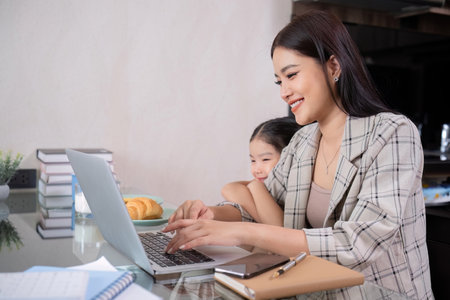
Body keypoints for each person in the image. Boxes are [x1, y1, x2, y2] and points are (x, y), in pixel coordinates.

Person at [163, 9, 433, 299]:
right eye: (280, 81)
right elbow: (259, 206)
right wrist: (210, 215)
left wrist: (240, 233)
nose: (284, 91)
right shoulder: (303, 141)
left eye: (291, 75)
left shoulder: (392, 133)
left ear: (333, 67)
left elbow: (357, 243)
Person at [220, 117, 301, 226]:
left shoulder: (297, 190)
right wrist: (256, 186)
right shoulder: (262, 185)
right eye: (253, 160)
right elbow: (228, 189)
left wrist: (256, 187)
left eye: (265, 159)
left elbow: (278, 227)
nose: (257, 170)